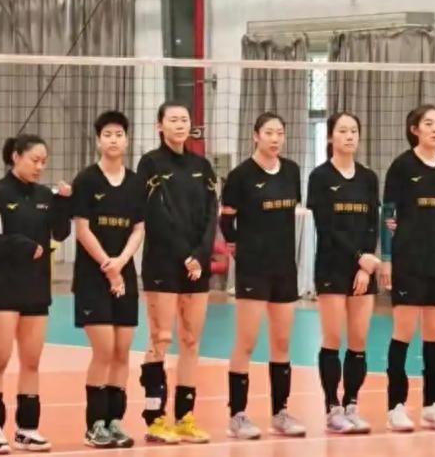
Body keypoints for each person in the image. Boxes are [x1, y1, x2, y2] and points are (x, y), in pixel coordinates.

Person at [0, 134, 71, 454]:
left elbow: (61, 233)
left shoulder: (45, 196)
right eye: (34, 160)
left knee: (31, 361)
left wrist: (64, 202)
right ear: (16, 156)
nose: (40, 167)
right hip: (3, 286)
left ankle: (27, 429)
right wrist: (20, 245)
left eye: (44, 162)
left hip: (36, 287)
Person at [220, 112, 306, 438]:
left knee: (282, 342)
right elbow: (226, 220)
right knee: (246, 342)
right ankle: (237, 415)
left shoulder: (292, 171)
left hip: (284, 268)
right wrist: (237, 247)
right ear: (255, 135)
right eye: (269, 132)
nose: (275, 138)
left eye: (280, 133)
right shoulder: (240, 176)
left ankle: (280, 413)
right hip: (253, 269)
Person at [136, 102, 217, 444]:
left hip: (196, 265)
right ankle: (155, 418)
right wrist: (185, 254)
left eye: (184, 119)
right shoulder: (150, 164)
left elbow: (212, 215)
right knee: (161, 338)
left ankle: (184, 417)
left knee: (191, 340)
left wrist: (200, 255)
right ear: (160, 126)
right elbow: (156, 214)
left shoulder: (202, 166)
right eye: (173, 120)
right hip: (163, 263)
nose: (180, 124)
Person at [380, 105, 435, 432]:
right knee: (403, 332)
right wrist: (387, 257)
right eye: (429, 123)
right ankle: (395, 406)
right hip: (408, 260)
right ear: (415, 129)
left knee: (434, 336)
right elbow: (389, 214)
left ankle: (432, 405)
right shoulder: (402, 166)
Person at [71, 111, 144, 448]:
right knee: (104, 350)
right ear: (98, 141)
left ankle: (115, 421)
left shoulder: (136, 182)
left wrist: (122, 262)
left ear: (126, 140)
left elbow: (138, 228)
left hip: (124, 273)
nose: (114, 140)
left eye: (119, 134)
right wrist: (108, 266)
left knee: (122, 352)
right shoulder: (86, 180)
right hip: (93, 276)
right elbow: (82, 230)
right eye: (108, 135)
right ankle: (94, 425)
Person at [307, 111, 380, 435]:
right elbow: (327, 227)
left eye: (354, 131)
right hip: (332, 265)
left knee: (359, 340)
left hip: (364, 267)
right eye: (343, 131)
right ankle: (331, 408)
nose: (350, 136)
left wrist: (367, 262)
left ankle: (351, 404)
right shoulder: (320, 177)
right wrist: (359, 257)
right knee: (333, 338)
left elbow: (371, 224)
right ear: (330, 137)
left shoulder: (368, 178)